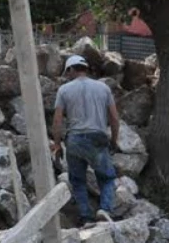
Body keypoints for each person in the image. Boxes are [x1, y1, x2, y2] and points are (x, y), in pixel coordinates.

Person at [50, 54, 119, 227]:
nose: (67, 76)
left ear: (71, 69)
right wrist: (114, 141)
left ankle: (86, 217)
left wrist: (57, 144)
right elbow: (114, 118)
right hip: (97, 137)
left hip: (74, 140)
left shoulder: (64, 90)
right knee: (107, 177)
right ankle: (105, 209)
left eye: (67, 72)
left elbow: (57, 120)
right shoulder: (103, 88)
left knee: (78, 180)